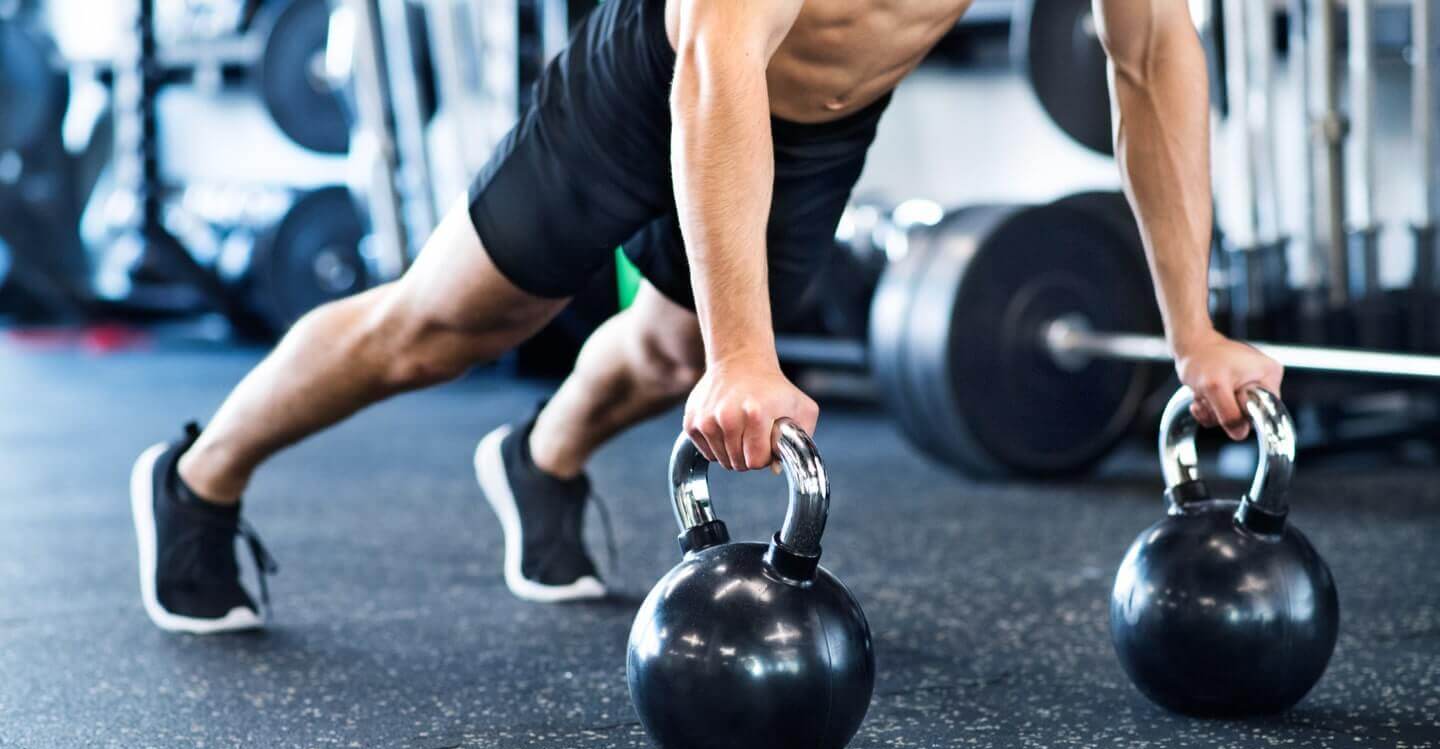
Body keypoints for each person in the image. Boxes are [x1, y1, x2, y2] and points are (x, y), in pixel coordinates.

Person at [129, 0, 1284, 633]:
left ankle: (544, 457)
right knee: (448, 326)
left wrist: (1197, 331)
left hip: (825, 119)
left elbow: (1150, 55)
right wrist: (747, 353)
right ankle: (199, 476)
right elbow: (716, 56)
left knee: (672, 348)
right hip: (663, 67)